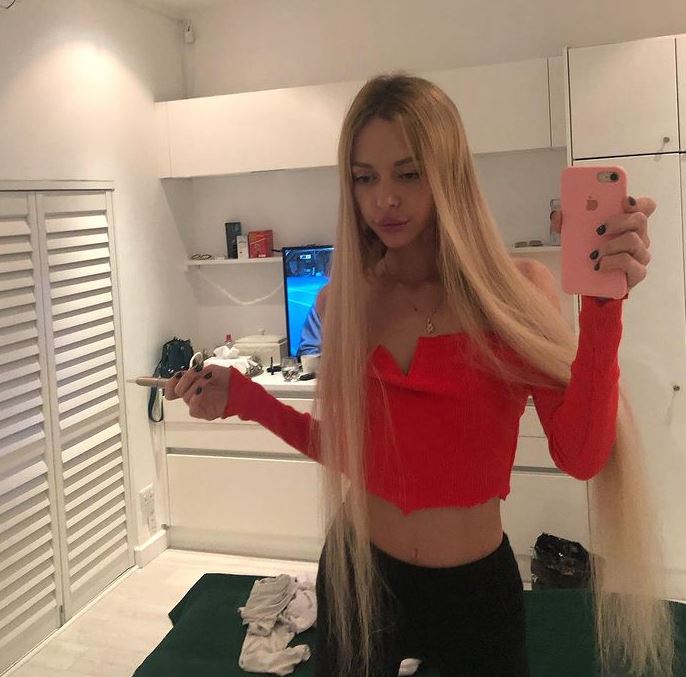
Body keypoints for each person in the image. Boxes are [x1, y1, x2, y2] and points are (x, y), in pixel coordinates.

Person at [165, 74, 676, 677]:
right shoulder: (344, 302)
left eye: (408, 174)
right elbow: (355, 454)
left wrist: (604, 306)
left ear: (448, 175)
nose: (384, 199)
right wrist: (247, 398)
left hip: (475, 593)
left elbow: (582, 454)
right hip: (359, 575)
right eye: (365, 177)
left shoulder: (515, 294)